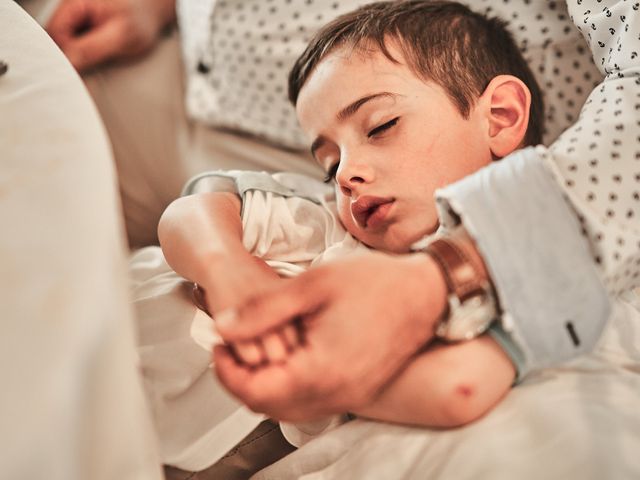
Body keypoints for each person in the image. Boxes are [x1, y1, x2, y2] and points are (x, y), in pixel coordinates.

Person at [159, 0, 543, 430]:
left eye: (380, 126)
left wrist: (310, 381)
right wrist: (232, 274)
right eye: (329, 164)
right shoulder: (332, 223)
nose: (344, 174)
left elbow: (458, 388)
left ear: (500, 117)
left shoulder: (527, 269)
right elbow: (193, 211)